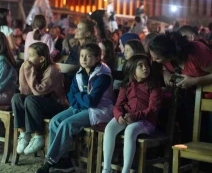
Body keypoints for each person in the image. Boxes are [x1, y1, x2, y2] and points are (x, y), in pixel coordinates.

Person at [36, 43, 114, 173]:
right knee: (55, 121)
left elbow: (92, 101)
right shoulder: (80, 73)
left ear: (97, 58)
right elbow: (71, 96)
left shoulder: (103, 76)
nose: (83, 59)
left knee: (67, 124)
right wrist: (80, 98)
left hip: (99, 110)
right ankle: (64, 162)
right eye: (82, 56)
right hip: (81, 106)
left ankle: (50, 161)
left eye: (88, 56)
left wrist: (79, 95)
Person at [102, 54, 163, 173]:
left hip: (146, 121)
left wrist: (135, 116)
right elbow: (118, 105)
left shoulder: (154, 86)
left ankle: (126, 170)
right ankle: (106, 168)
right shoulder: (126, 85)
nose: (145, 68)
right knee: (110, 128)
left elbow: (153, 108)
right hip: (127, 117)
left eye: (146, 65)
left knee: (130, 130)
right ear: (132, 70)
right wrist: (119, 115)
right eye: (140, 66)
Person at [148, 31, 212, 142]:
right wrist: (165, 73)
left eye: (157, 58)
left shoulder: (197, 53)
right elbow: (162, 67)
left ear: (169, 54)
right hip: (189, 96)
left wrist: (194, 81)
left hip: (208, 96)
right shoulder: (165, 61)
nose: (154, 60)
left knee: (205, 132)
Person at [12, 42, 68, 155]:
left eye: (31, 55)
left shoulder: (52, 70)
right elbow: (25, 91)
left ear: (41, 58)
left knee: (31, 100)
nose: (28, 59)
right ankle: (24, 134)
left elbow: (38, 92)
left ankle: (38, 136)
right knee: (17, 97)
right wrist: (24, 69)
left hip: (57, 105)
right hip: (39, 103)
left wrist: (28, 70)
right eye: (28, 55)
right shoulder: (34, 67)